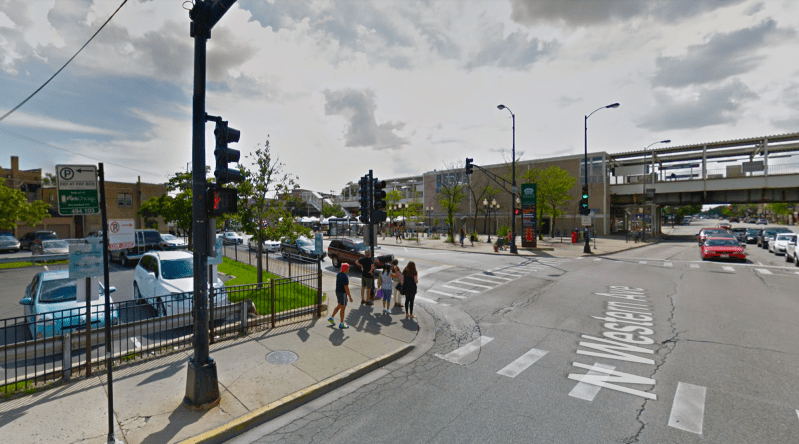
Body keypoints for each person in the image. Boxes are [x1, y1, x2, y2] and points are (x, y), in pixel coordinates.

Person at [328, 263, 353, 329]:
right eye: (348, 267)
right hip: (342, 293)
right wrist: (350, 297)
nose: (349, 269)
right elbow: (346, 288)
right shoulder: (345, 277)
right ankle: (341, 324)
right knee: (343, 308)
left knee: (339, 305)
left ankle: (331, 317)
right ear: (345, 269)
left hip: (338, 292)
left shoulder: (339, 274)